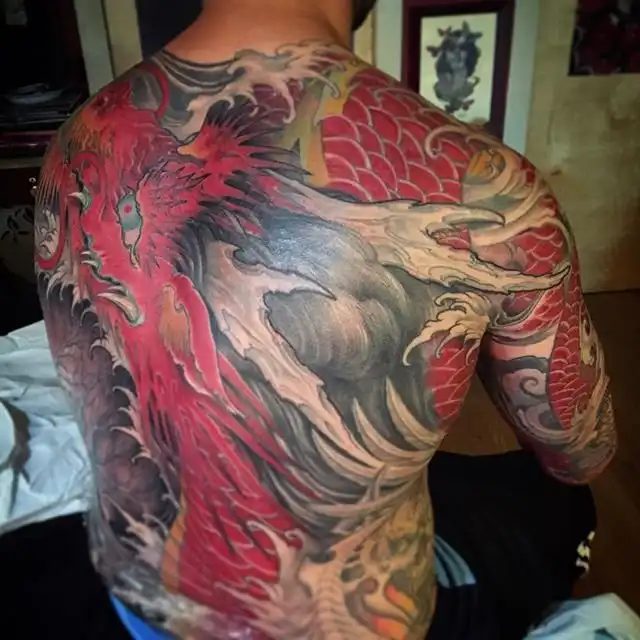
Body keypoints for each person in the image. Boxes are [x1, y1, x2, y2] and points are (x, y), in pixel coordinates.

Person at [34, 0, 616, 638]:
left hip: (143, 603)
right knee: (557, 508)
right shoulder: (492, 201)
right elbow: (578, 452)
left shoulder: (74, 144)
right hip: (350, 623)